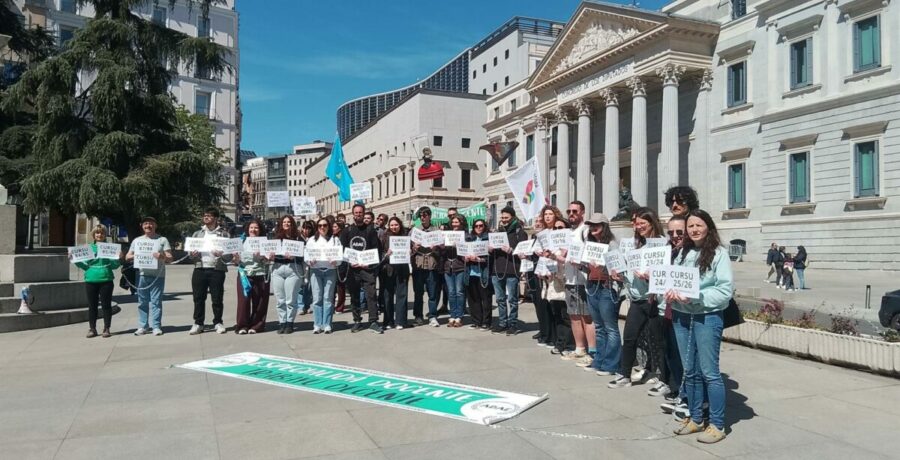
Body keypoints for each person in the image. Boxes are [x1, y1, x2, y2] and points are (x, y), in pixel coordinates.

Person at [667, 209, 733, 444]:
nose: (694, 230)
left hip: (707, 318)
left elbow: (725, 291)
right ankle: (696, 418)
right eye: (690, 226)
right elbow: (673, 280)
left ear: (708, 227)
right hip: (681, 317)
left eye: (698, 225)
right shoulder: (681, 253)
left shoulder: (719, 254)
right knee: (690, 371)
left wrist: (695, 297)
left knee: (709, 373)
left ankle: (717, 424)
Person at [609, 207, 666, 389]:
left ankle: (661, 377)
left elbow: (666, 272)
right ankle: (624, 374)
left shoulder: (662, 244)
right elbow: (632, 272)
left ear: (652, 223)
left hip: (654, 300)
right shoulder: (637, 245)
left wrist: (652, 278)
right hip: (637, 299)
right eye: (637, 224)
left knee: (658, 341)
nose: (639, 227)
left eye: (643, 223)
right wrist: (621, 276)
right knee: (630, 337)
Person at [554, 201, 594, 360]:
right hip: (570, 279)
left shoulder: (586, 231)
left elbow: (591, 253)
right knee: (574, 316)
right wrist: (552, 256)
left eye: (575, 211)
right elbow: (564, 257)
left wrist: (578, 260)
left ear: (582, 212)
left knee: (586, 317)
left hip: (583, 279)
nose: (571, 214)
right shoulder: (567, 233)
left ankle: (592, 351)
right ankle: (580, 348)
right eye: (569, 211)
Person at [581, 213, 620, 376]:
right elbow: (585, 268)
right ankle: (599, 360)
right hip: (592, 286)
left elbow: (617, 268)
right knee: (598, 327)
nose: (593, 227)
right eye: (591, 225)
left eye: (597, 224)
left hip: (606, 287)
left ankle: (611, 364)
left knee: (610, 328)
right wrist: (580, 264)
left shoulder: (611, 244)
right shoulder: (589, 244)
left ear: (604, 226)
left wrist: (604, 266)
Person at [188, 208, 234, 335]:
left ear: (216, 218)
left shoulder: (224, 234)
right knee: (198, 298)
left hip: (217, 269)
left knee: (217, 298)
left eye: (209, 215)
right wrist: (192, 254)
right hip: (199, 268)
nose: (206, 217)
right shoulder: (197, 233)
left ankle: (218, 322)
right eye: (205, 215)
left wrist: (222, 254)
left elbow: (229, 256)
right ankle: (198, 323)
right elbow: (190, 254)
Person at [126, 217, 173, 336]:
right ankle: (143, 326)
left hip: (158, 276)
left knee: (156, 302)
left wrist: (161, 256)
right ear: (142, 226)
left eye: (151, 224)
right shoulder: (137, 241)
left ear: (155, 226)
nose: (148, 226)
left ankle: (156, 326)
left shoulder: (162, 240)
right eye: (146, 224)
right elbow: (127, 257)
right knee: (142, 302)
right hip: (142, 275)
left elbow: (170, 257)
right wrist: (137, 255)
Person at [340, 204, 383, 333]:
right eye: (356, 212)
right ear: (353, 214)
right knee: (354, 296)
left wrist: (368, 263)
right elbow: (342, 250)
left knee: (371, 294)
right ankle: (357, 320)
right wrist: (349, 262)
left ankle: (373, 321)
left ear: (364, 214)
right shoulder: (347, 231)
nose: (358, 214)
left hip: (367, 268)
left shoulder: (370, 230)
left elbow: (376, 250)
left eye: (360, 212)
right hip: (352, 269)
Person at [73, 225, 120, 338]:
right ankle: (92, 328)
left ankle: (106, 328)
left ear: (105, 235)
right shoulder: (88, 248)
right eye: (97, 233)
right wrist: (73, 259)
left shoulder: (110, 248)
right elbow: (83, 265)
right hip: (91, 280)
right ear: (93, 235)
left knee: (106, 305)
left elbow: (114, 266)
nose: (99, 235)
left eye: (102, 233)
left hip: (106, 279)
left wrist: (118, 258)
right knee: (92, 305)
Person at [490, 206, 528, 335]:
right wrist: (489, 248)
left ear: (512, 217)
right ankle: (502, 323)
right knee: (500, 299)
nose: (503, 220)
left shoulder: (520, 232)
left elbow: (524, 250)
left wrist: (511, 250)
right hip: (497, 269)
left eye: (506, 218)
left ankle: (513, 324)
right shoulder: (497, 232)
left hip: (512, 270)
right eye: (502, 217)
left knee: (512, 299)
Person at [533, 206, 566, 346]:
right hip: (544, 269)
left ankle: (560, 337)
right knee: (547, 303)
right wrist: (539, 252)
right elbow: (535, 248)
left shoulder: (560, 230)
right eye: (545, 214)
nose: (547, 217)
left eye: (550, 214)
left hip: (557, 269)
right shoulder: (543, 233)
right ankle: (549, 334)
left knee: (557, 304)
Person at [233, 219, 270, 334]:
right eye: (251, 228)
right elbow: (236, 262)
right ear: (247, 230)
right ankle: (242, 326)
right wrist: (236, 259)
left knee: (260, 302)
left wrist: (262, 256)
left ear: (260, 230)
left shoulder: (265, 242)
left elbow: (269, 260)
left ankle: (256, 325)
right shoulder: (241, 242)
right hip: (245, 275)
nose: (253, 230)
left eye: (256, 228)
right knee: (243, 301)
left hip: (261, 274)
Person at [306, 217, 341, 334]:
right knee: (316, 299)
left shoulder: (335, 240)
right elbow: (307, 256)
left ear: (328, 226)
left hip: (330, 270)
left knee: (328, 298)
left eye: (325, 225)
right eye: (320, 225)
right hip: (316, 271)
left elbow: (340, 257)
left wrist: (336, 261)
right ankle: (317, 324)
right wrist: (310, 261)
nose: (322, 227)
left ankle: (327, 324)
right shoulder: (311, 240)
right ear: (317, 227)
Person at [270, 215, 305, 334]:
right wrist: (269, 255)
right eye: (284, 222)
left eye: (289, 222)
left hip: (293, 269)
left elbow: (304, 255)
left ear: (292, 224)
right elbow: (269, 253)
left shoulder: (298, 239)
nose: (287, 224)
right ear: (281, 224)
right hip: (278, 268)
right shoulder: (275, 238)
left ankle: (290, 323)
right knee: (280, 299)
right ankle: (282, 322)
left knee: (290, 299)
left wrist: (296, 255)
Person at [545, 219, 574, 354]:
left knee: (566, 315)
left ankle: (569, 345)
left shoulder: (570, 245)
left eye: (560, 228)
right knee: (557, 314)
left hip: (566, 281)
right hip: (553, 282)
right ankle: (560, 342)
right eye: (555, 229)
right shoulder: (552, 246)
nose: (557, 231)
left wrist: (563, 254)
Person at [411, 207, 441, 326]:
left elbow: (441, 251)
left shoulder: (436, 231)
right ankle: (418, 316)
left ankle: (432, 316)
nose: (422, 218)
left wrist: (435, 249)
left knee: (432, 293)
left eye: (424, 215)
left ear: (429, 216)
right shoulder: (415, 231)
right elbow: (408, 250)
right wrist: (414, 248)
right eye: (420, 216)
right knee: (418, 293)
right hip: (418, 266)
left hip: (431, 266)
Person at [380, 217, 411, 329]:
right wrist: (386, 254)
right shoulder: (384, 236)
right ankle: (388, 321)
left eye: (396, 225)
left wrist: (410, 251)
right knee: (388, 295)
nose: (394, 227)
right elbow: (380, 252)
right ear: (389, 226)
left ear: (400, 225)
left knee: (402, 294)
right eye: (392, 225)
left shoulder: (406, 236)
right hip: (388, 269)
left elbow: (411, 250)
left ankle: (400, 321)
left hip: (402, 268)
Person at [439, 215, 468, 327]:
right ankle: (452, 315)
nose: (455, 224)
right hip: (448, 266)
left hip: (459, 266)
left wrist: (460, 245)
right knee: (451, 293)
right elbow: (442, 253)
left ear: (461, 223)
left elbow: (468, 250)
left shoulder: (465, 235)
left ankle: (459, 316)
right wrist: (441, 246)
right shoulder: (447, 235)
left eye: (457, 222)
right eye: (453, 222)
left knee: (459, 292)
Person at [465, 218, 492, 330]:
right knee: (473, 298)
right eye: (476, 226)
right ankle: (476, 321)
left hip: (483, 272)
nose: (479, 228)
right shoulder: (470, 239)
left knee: (485, 298)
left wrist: (479, 260)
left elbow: (490, 258)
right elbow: (464, 252)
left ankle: (486, 322)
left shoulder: (488, 239)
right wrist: (465, 258)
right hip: (471, 272)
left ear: (484, 226)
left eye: (481, 225)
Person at [332, 220, 347, 313]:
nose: (333, 229)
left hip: (341, 264)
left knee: (340, 286)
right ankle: (331, 305)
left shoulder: (343, 238)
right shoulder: (331, 237)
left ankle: (340, 307)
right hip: (332, 263)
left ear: (340, 228)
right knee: (332, 287)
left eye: (335, 227)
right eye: (332, 226)